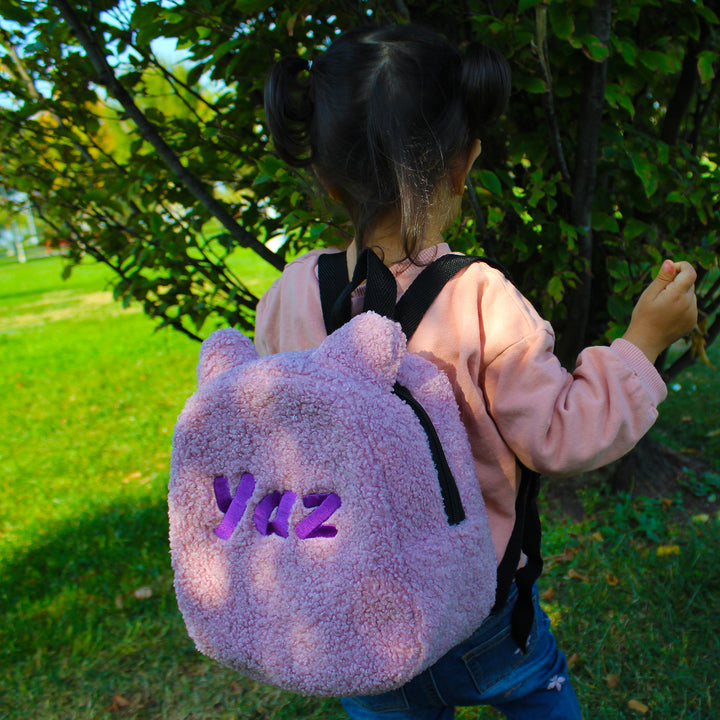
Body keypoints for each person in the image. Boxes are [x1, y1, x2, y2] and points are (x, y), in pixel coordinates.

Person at [257, 23, 698, 720]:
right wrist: (641, 344)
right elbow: (563, 438)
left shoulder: (288, 294)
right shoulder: (480, 298)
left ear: (327, 180)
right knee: (533, 693)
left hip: (354, 607)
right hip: (478, 611)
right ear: (465, 163)